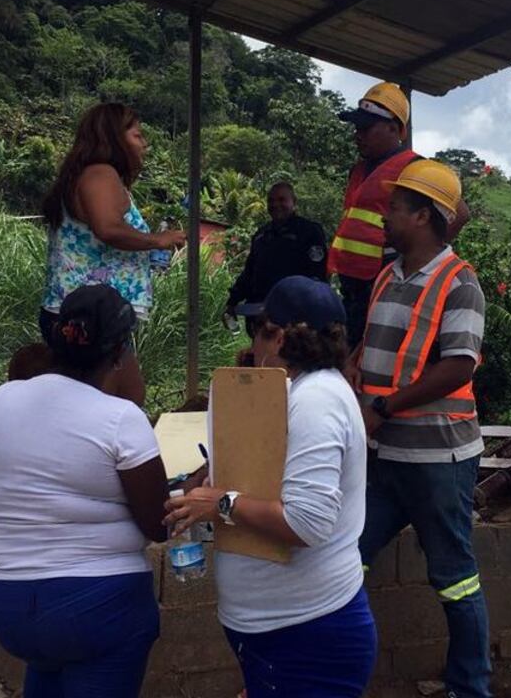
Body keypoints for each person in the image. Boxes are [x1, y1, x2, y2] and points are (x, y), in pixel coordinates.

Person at [0, 284, 170, 698]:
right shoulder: (121, 419)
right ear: (120, 353)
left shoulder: (3, 399)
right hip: (98, 606)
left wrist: (17, 534)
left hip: (12, 604)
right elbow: (159, 524)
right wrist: (194, 486)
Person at [165, 276, 376, 698]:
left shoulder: (317, 400)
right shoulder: (293, 393)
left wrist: (221, 503)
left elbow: (306, 524)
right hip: (282, 630)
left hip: (306, 632)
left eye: (256, 331)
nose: (253, 345)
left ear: (277, 337)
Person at [353, 160, 491, 698]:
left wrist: (383, 408)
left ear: (423, 216)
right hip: (386, 455)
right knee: (347, 558)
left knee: (455, 576)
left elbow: (458, 366)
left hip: (438, 459)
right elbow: (375, 347)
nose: (385, 215)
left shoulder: (461, 284)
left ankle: (470, 687)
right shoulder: (389, 275)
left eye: (395, 207)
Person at [35, 102, 186, 405]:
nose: (144, 143)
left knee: (89, 404)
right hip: (91, 318)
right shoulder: (100, 174)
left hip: (87, 313)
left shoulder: (89, 175)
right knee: (118, 401)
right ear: (114, 137)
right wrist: (159, 239)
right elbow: (107, 228)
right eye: (137, 135)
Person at [330, 82, 472, 348]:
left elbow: (460, 212)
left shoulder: (413, 167)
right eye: (356, 128)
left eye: (366, 128)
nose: (358, 135)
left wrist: (417, 262)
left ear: (395, 129)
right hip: (352, 285)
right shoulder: (358, 170)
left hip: (384, 281)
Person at [225, 181, 328, 336]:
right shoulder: (261, 235)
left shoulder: (309, 232)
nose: (276, 205)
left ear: (294, 202)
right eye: (271, 201)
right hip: (260, 317)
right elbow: (249, 274)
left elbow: (317, 276)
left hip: (294, 319)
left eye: (282, 200)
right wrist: (232, 301)